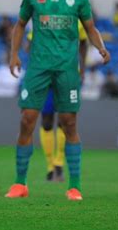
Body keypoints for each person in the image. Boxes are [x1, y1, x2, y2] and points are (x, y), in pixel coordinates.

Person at [6, 0, 110, 201]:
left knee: (69, 123)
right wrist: (14, 54)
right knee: (27, 120)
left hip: (67, 69)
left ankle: (74, 186)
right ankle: (20, 184)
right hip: (38, 67)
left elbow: (90, 28)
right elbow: (20, 25)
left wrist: (101, 48)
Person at [26, 21, 88, 182]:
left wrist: (82, 69)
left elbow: (83, 44)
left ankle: (59, 164)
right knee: (46, 120)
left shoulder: (76, 19)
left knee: (64, 120)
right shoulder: (43, 17)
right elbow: (30, 44)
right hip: (46, 75)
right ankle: (50, 166)